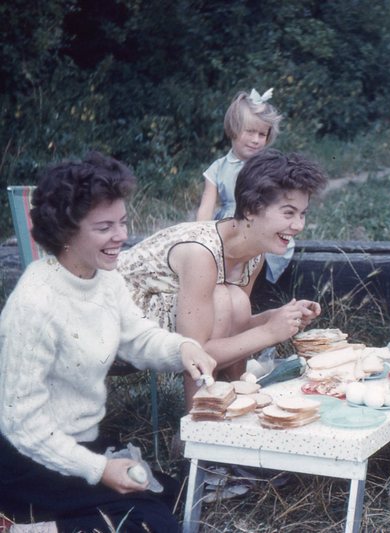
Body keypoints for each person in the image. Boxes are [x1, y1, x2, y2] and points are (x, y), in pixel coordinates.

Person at [0, 152, 217, 532]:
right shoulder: (35, 303)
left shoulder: (105, 279)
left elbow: (136, 337)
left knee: (180, 496)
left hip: (82, 442)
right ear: (66, 232)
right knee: (153, 525)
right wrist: (99, 469)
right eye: (104, 227)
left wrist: (182, 348)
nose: (121, 236)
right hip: (28, 458)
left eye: (122, 222)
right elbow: (20, 423)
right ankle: (26, 526)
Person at [118, 148, 327, 407]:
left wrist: (278, 317)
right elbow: (197, 352)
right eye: (288, 213)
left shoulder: (254, 253)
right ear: (250, 209)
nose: (298, 225)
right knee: (222, 297)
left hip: (167, 323)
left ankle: (233, 403)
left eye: (302, 213)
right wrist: (270, 332)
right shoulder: (201, 253)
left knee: (235, 300)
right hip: (115, 319)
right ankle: (197, 419)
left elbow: (234, 326)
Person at [196, 88, 292, 284]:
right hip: (229, 225)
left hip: (260, 223)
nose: (256, 140)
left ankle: (244, 290)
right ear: (234, 129)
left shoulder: (269, 167)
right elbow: (206, 206)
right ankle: (226, 287)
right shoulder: (218, 168)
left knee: (253, 247)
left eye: (262, 134)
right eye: (250, 132)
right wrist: (200, 235)